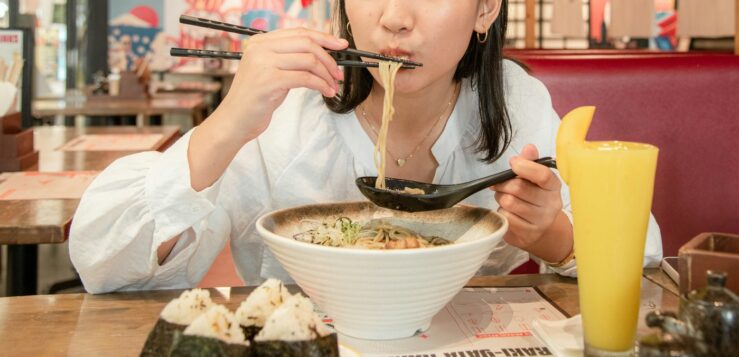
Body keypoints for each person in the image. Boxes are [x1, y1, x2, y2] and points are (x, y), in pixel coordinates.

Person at [70, 0, 662, 293]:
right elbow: (104, 263)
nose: (394, 19)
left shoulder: (513, 104)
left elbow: (641, 247)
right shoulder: (287, 111)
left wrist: (551, 233)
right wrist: (225, 125)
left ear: (485, 8)